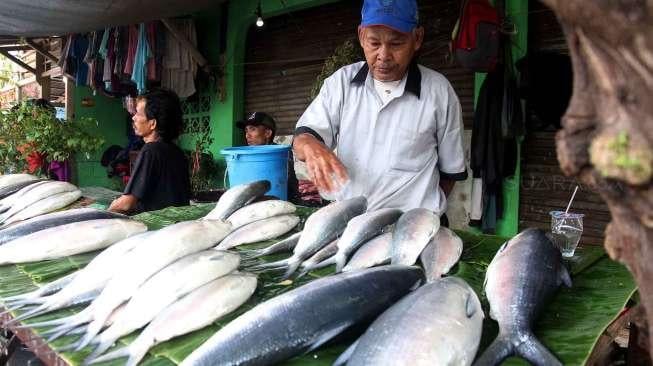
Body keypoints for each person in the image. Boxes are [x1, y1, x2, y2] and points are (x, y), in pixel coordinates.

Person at [292, 0, 467, 222]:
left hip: (413, 225)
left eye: (396, 44)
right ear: (361, 36)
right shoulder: (341, 83)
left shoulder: (439, 91)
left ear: (417, 39)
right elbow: (302, 139)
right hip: (351, 222)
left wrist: (423, 212)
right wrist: (310, 145)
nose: (383, 55)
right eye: (374, 43)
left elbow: (450, 172)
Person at [109, 89, 190, 214]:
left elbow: (126, 204)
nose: (133, 117)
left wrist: (105, 213)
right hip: (177, 226)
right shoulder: (178, 152)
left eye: (138, 114)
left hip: (157, 230)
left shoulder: (150, 151)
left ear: (152, 124)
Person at [236, 111, 302, 203]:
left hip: (281, 203)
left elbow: (287, 186)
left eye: (252, 129)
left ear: (267, 133)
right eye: (246, 130)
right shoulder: (248, 155)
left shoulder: (280, 153)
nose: (247, 135)